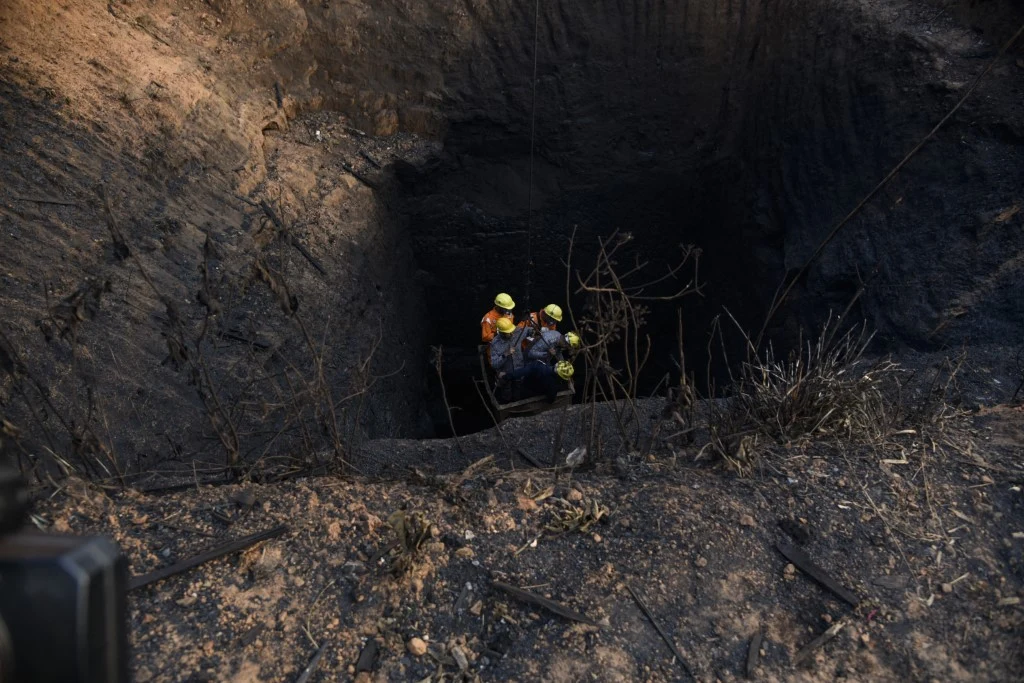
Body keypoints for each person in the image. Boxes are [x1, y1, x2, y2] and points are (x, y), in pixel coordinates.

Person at [500, 359, 574, 403]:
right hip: (534, 393)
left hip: (525, 387)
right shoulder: (553, 385)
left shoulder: (538, 366)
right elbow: (551, 399)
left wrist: (506, 376)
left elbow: (521, 372)